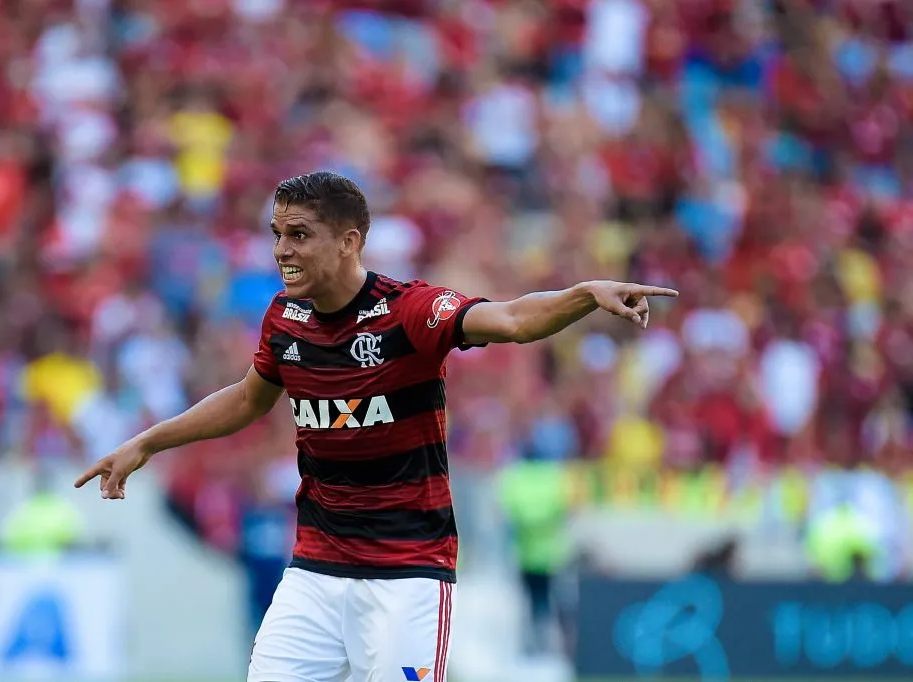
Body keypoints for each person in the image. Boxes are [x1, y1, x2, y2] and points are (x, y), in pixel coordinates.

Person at [74, 171, 678, 682]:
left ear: (349, 241)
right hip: (314, 571)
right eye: (277, 235)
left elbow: (513, 320)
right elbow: (248, 400)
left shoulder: (410, 311)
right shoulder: (285, 319)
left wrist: (582, 294)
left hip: (407, 574)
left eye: (299, 235)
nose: (282, 250)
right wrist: (148, 441)